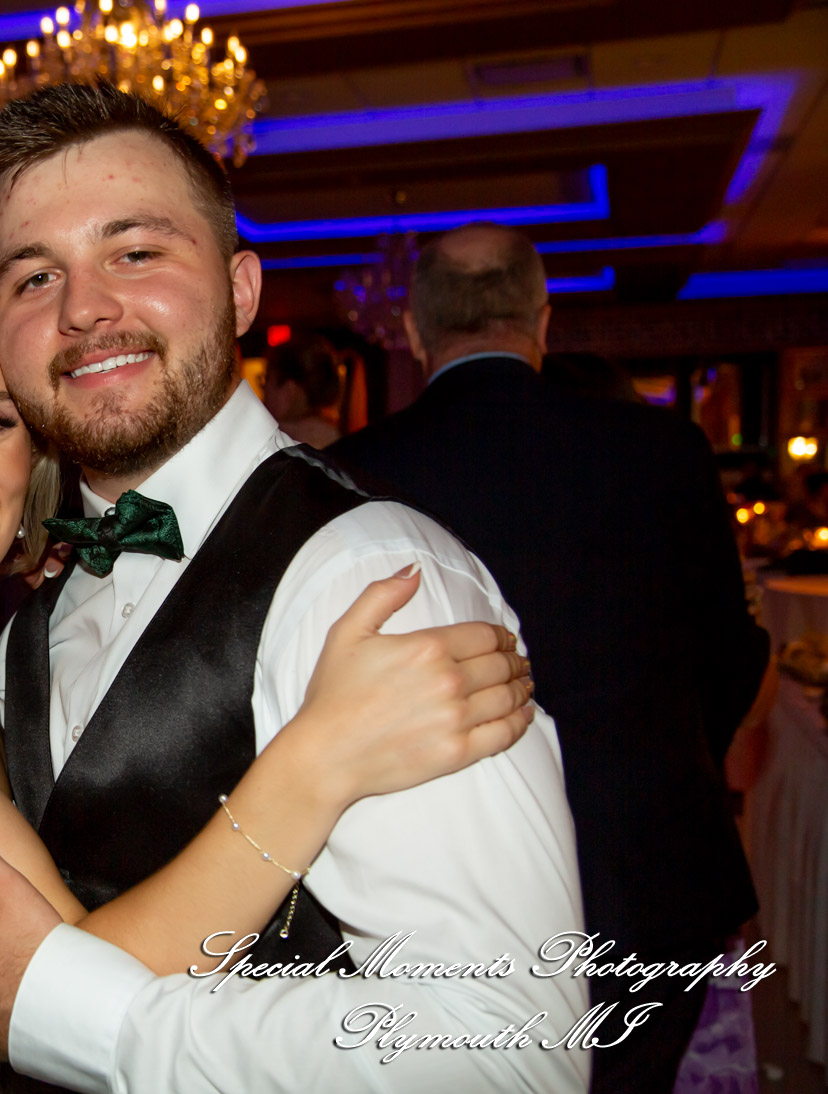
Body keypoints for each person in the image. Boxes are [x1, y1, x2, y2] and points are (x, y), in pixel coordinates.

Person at [0, 83, 589, 1094]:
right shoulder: (30, 608)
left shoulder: (370, 583)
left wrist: (89, 1020)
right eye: (34, 277)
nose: (84, 308)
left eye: (137, 252)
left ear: (243, 292)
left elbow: (511, 1053)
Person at [328, 223, 769, 1093]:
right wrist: (659, 771)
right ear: (543, 318)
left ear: (415, 334)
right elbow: (730, 654)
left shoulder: (349, 471)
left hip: (438, 882)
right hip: (650, 865)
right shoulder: (663, 449)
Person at [261, 334, 342, 446]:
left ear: (290, 389)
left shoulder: (279, 442)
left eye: (267, 380)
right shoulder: (334, 438)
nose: (264, 389)